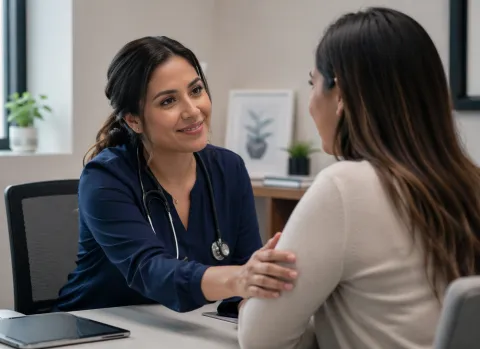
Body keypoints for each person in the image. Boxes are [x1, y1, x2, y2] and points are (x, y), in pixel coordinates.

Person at [237, 7, 480, 349]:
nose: (310, 102)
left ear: (341, 95)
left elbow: (262, 341)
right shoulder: (469, 183)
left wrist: (251, 294)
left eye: (313, 83)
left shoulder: (343, 187)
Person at [54, 36, 298, 313]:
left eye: (196, 90)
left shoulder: (229, 168)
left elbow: (243, 277)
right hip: (92, 329)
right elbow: (150, 271)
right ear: (134, 120)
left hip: (180, 330)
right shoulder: (104, 178)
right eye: (168, 101)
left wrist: (259, 296)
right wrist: (239, 279)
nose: (193, 111)